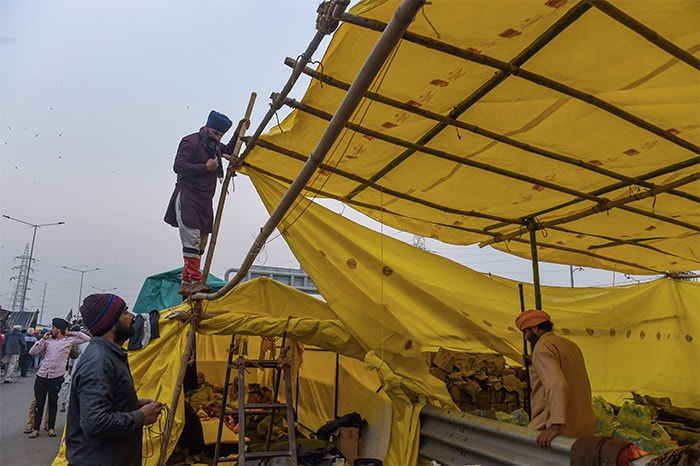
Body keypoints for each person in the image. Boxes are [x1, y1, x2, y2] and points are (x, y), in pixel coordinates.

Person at [66, 293, 162, 465]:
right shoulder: (99, 362)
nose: (132, 316)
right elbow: (95, 423)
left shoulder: (110, 355)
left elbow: (102, 405)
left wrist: (131, 404)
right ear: (110, 323)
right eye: (125, 312)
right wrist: (140, 416)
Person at [164, 110, 249, 296]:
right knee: (192, 240)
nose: (218, 138)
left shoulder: (215, 146)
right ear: (207, 128)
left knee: (200, 244)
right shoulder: (191, 141)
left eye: (220, 135)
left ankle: (185, 283)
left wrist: (238, 132)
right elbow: (178, 166)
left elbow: (229, 150)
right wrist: (205, 167)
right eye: (215, 134)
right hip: (188, 197)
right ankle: (196, 281)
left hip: (204, 200)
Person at [515, 309, 597, 449]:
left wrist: (554, 426)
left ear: (535, 328)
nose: (526, 338)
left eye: (526, 332)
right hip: (583, 427)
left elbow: (558, 385)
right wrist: (534, 361)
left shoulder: (542, 348)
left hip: (560, 430)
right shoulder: (569, 345)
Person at [27, 317, 90, 438]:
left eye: (54, 328)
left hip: (56, 376)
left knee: (52, 402)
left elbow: (86, 338)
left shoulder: (69, 341)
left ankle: (51, 427)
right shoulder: (48, 341)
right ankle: (36, 428)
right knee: (39, 403)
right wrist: (42, 340)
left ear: (60, 330)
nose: (52, 330)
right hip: (42, 375)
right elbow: (32, 352)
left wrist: (71, 332)